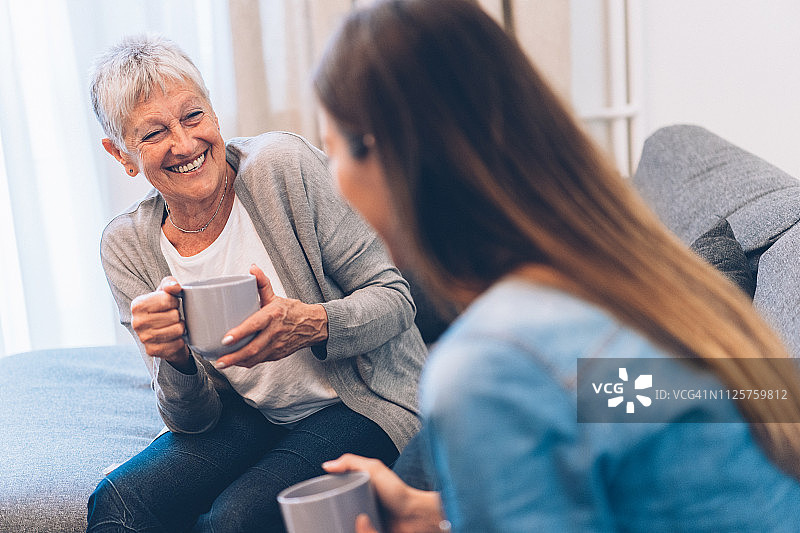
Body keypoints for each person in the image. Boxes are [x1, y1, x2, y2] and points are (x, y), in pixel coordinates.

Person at [312, 1, 800, 531]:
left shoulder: (492, 367)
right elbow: (650, 485)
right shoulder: (645, 284)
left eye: (329, 148)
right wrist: (439, 517)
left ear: (382, 153)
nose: (331, 177)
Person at [86, 34, 426, 533]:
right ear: (122, 155)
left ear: (214, 112)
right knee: (119, 503)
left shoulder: (281, 167)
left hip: (355, 400)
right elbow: (192, 422)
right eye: (154, 133)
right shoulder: (126, 245)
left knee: (236, 520)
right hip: (244, 416)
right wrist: (175, 359)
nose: (184, 144)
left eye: (194, 116)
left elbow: (396, 299)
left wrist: (312, 324)